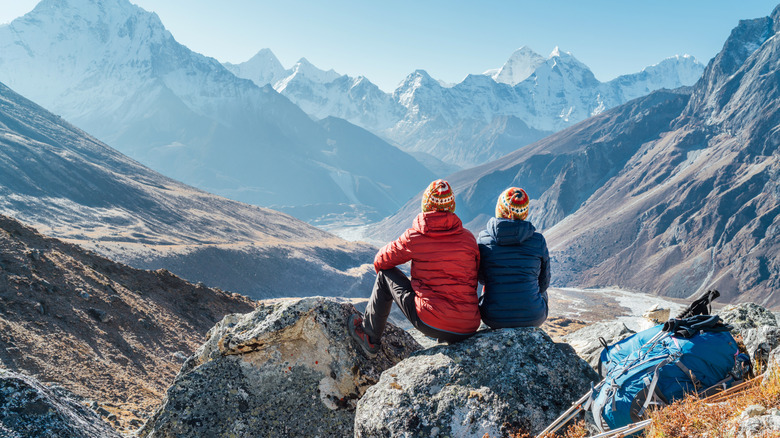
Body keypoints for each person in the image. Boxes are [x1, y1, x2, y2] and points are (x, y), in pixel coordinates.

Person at [348, 179, 481, 357]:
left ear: (426, 204)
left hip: (431, 322)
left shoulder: (415, 237)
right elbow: (476, 275)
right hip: (469, 325)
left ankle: (369, 337)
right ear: (452, 206)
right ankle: (449, 333)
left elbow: (381, 261)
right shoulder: (468, 239)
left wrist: (417, 283)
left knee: (385, 275)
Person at [477, 187, 550, 329]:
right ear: (525, 213)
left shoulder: (484, 239)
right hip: (533, 317)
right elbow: (544, 283)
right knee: (541, 288)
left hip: (492, 317)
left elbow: (481, 278)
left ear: (500, 209)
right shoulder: (538, 240)